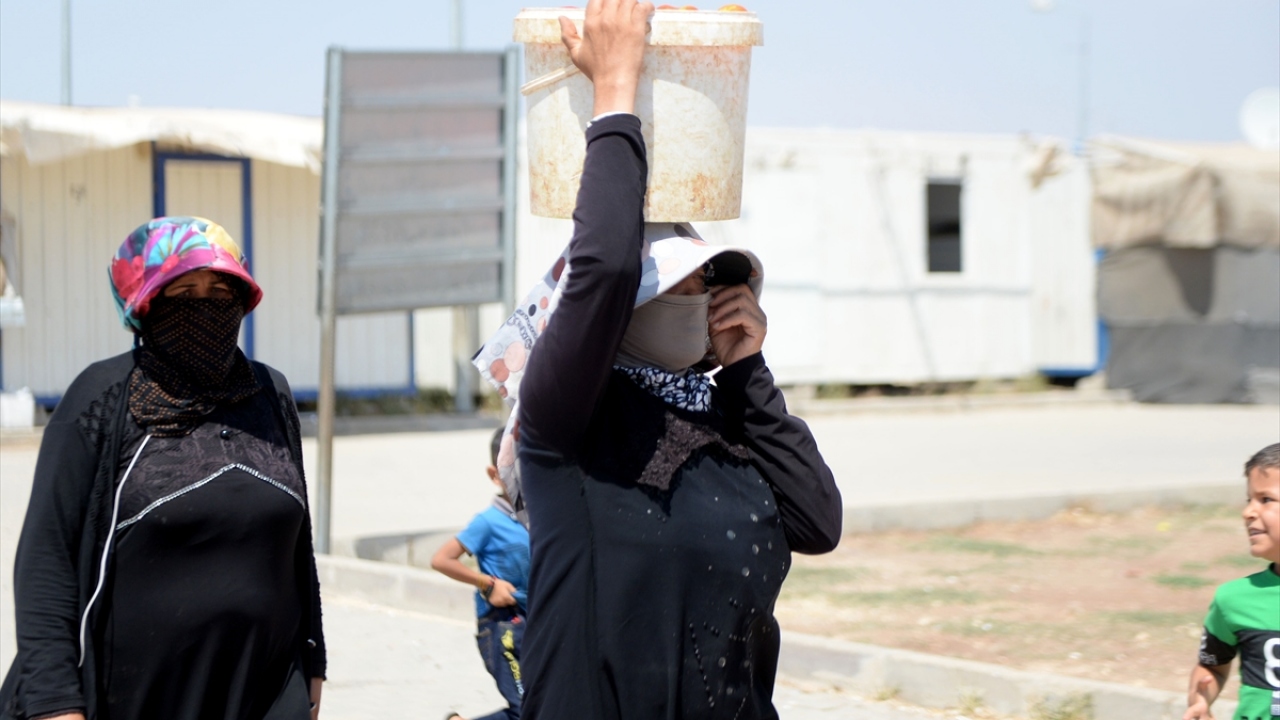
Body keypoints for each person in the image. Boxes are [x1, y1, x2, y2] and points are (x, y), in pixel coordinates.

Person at [470, 2, 843, 717]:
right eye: (684, 280)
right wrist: (615, 93)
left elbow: (818, 522)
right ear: (620, 310)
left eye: (715, 281)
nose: (708, 296)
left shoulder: (725, 421)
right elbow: (605, 268)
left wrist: (746, 372)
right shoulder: (567, 424)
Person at [0, 217, 326, 720]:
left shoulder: (271, 392)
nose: (206, 305)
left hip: (265, 689)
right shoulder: (103, 396)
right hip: (130, 695)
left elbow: (296, 548)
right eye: (183, 291)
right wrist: (54, 702)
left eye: (221, 289)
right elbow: (47, 561)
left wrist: (314, 662)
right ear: (145, 305)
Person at [431, 428, 530, 720]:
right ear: (494, 474)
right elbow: (441, 559)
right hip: (503, 628)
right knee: (526, 711)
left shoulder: (542, 518)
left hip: (537, 624)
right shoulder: (488, 522)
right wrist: (487, 584)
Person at [1183, 443, 1280, 720]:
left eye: (1266, 499)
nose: (1248, 512)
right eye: (1249, 499)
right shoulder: (1234, 599)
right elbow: (1212, 666)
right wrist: (1200, 701)